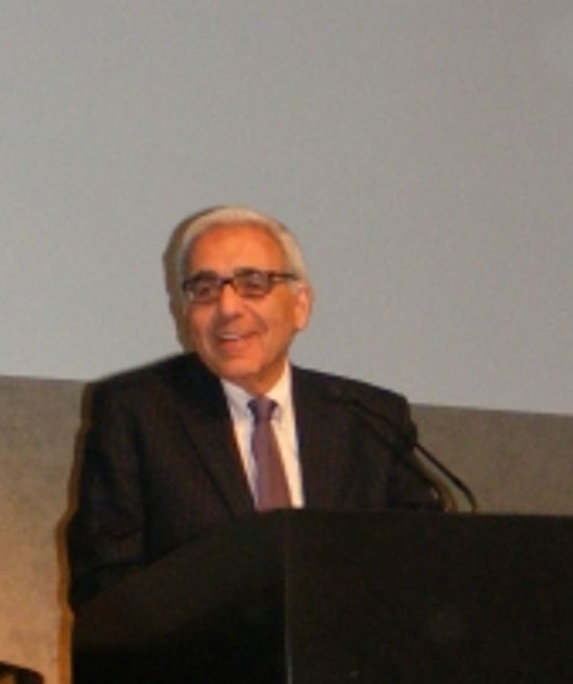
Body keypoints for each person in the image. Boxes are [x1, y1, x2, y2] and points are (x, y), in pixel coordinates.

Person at [65, 204, 443, 609]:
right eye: (205, 289)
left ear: (301, 305)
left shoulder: (368, 418)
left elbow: (424, 565)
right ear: (186, 313)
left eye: (253, 284)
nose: (228, 308)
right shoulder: (136, 413)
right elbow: (104, 584)